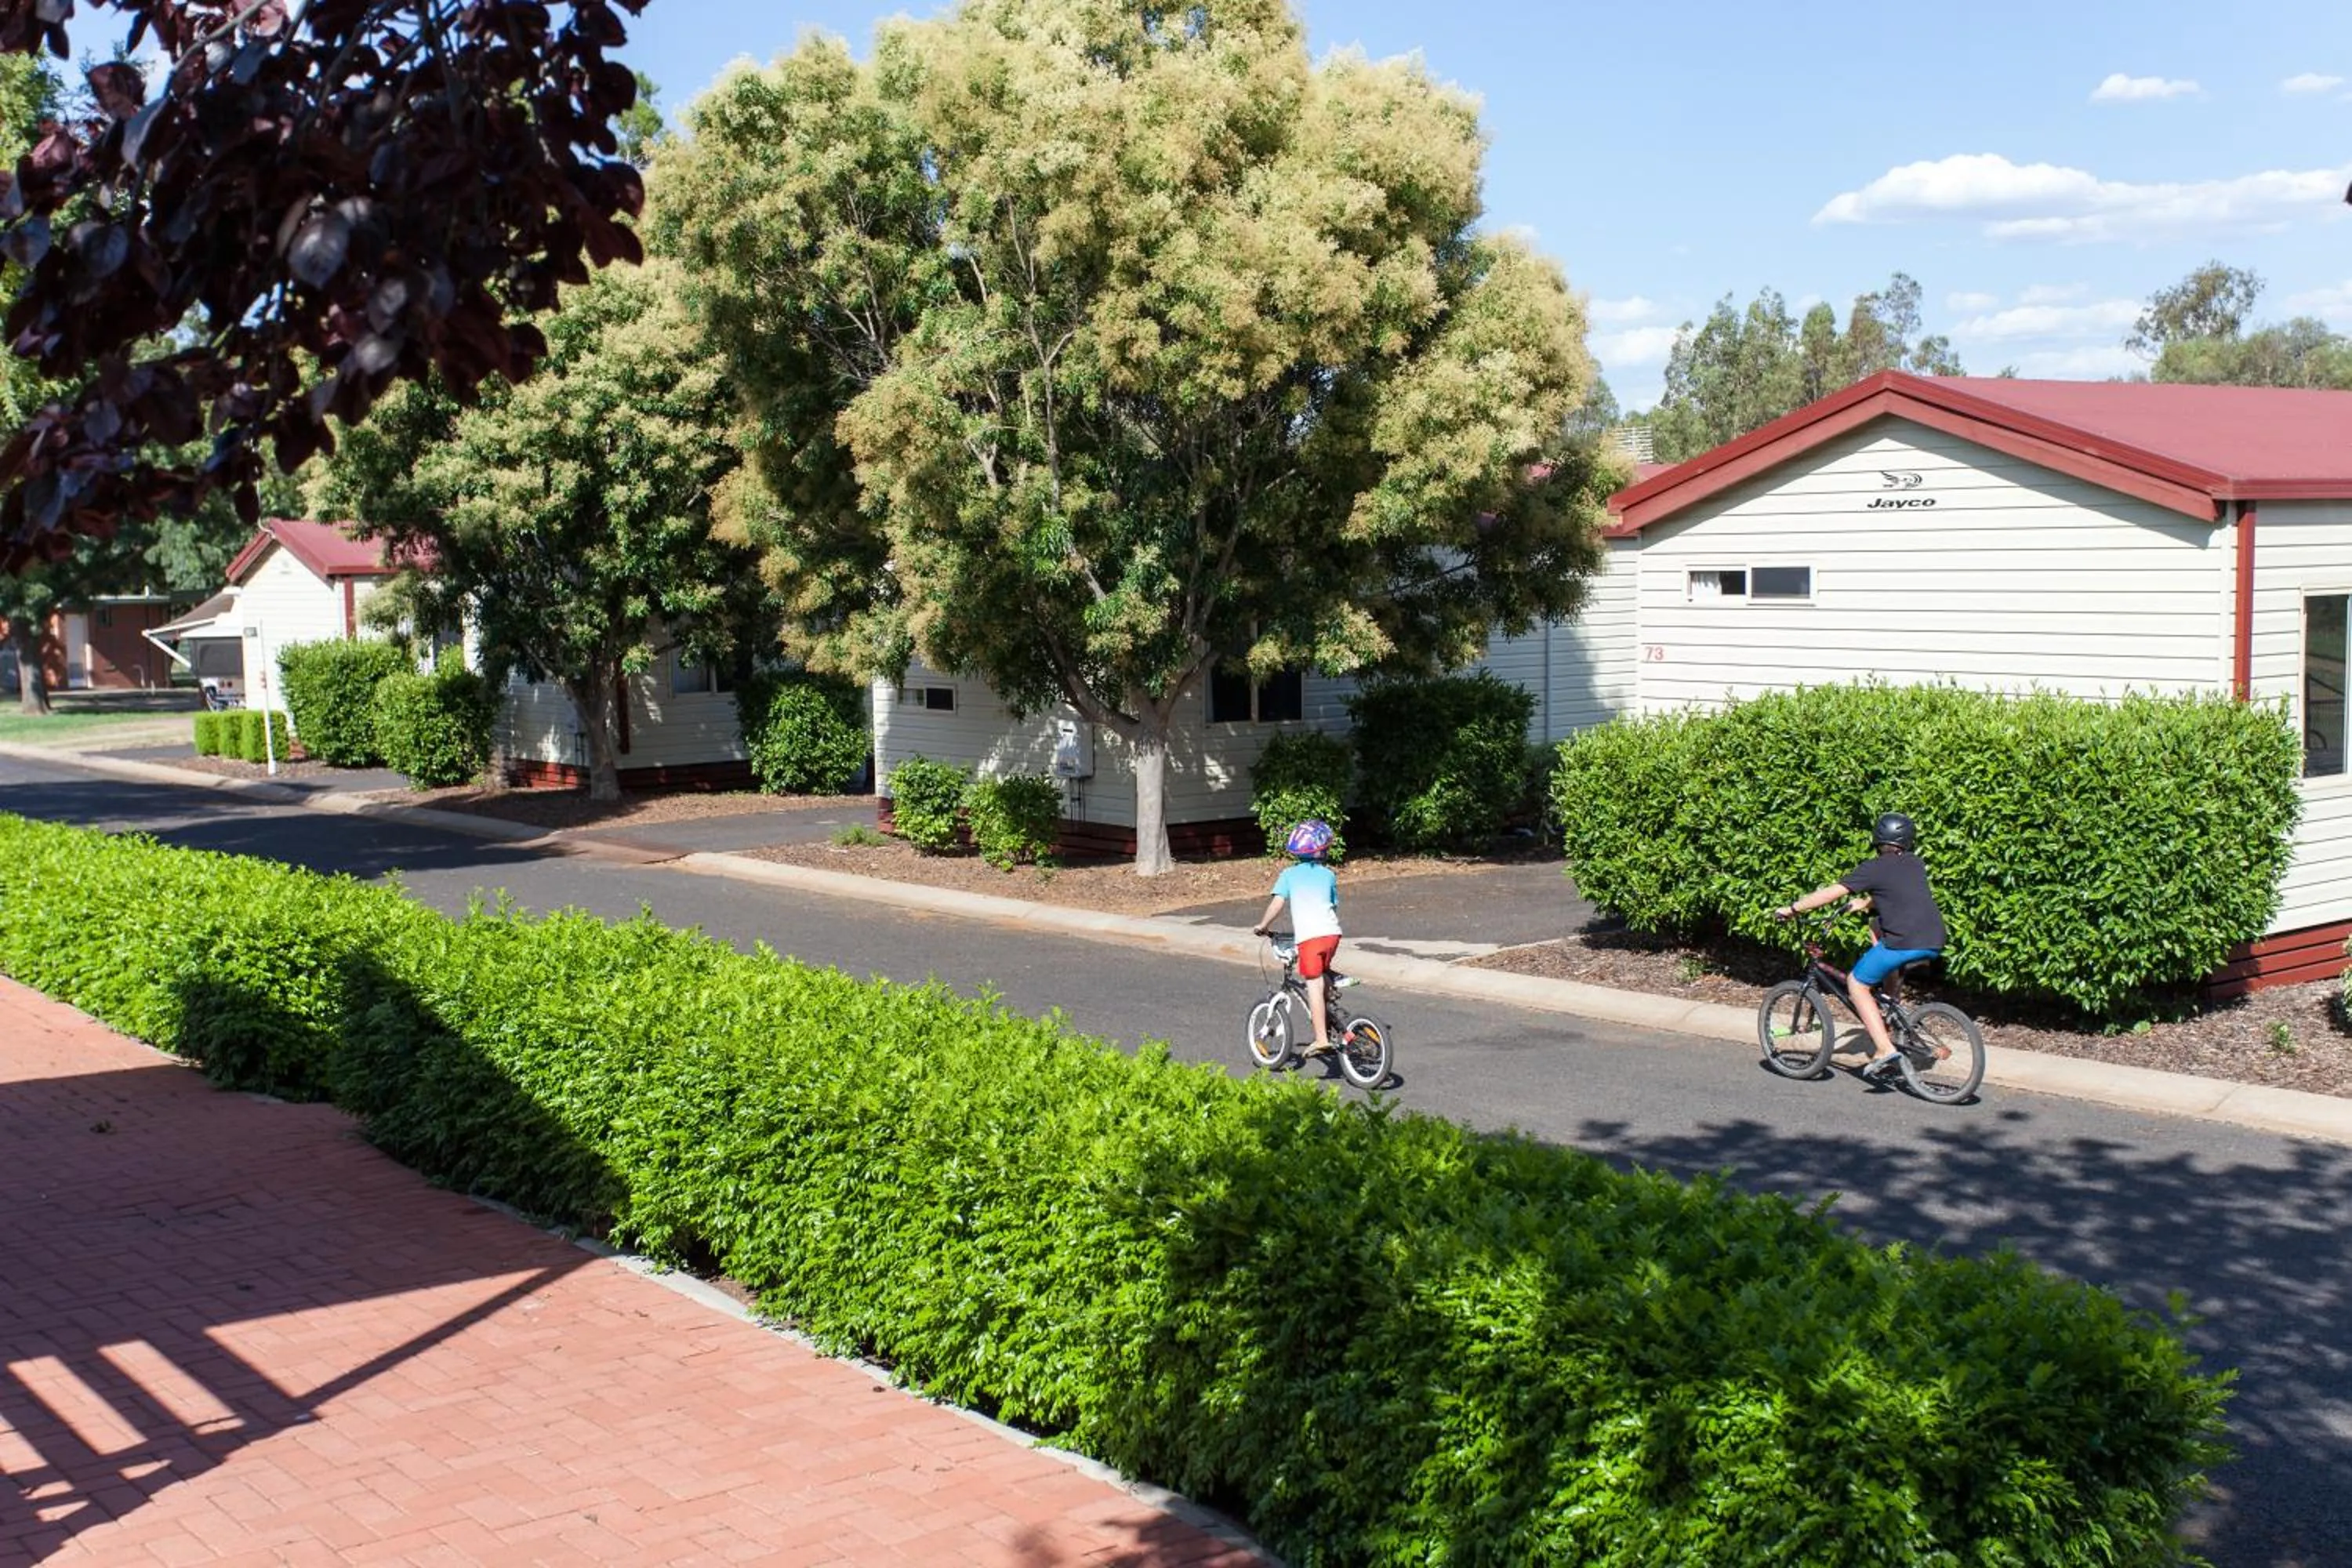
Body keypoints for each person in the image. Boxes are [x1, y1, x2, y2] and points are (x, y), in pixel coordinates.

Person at [1773, 811, 1948, 1083]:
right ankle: (1890, 1000)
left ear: (1878, 839)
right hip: (1934, 938)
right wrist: (1865, 904)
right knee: (1876, 925)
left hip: (1903, 942)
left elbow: (1832, 893)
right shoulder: (1915, 863)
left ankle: (1885, 1049)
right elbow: (1897, 893)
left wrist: (1793, 909)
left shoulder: (1873, 868)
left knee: (1856, 983)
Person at [1252, 818, 1348, 1053]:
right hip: (1332, 934)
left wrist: (1263, 925)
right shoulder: (1328, 875)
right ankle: (1329, 1000)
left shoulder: (1289, 875)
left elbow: (1277, 903)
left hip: (1311, 937)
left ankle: (1321, 1039)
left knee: (1312, 983)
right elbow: (1333, 905)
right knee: (1322, 972)